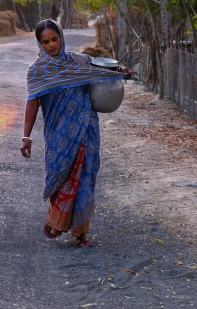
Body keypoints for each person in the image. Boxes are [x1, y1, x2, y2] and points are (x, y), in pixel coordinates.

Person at [19, 19, 125, 247]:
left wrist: (119, 71)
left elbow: (103, 71)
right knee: (61, 177)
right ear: (39, 44)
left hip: (86, 130)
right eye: (45, 42)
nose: (51, 45)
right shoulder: (37, 71)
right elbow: (32, 104)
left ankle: (80, 233)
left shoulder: (80, 62)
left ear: (61, 37)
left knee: (84, 178)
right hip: (58, 136)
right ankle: (59, 221)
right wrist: (26, 136)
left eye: (54, 39)